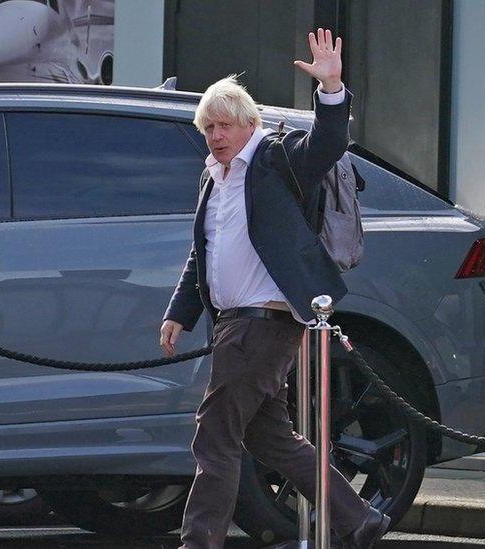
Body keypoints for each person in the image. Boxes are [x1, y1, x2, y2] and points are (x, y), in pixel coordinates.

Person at [160, 28, 389, 549]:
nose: (215, 136)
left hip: (261, 321)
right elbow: (206, 252)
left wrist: (330, 89)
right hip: (235, 323)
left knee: (214, 437)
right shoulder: (214, 176)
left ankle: (198, 543)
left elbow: (328, 144)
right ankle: (359, 520)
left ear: (249, 124)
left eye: (224, 125)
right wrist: (181, 311)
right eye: (208, 127)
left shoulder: (274, 159)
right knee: (274, 441)